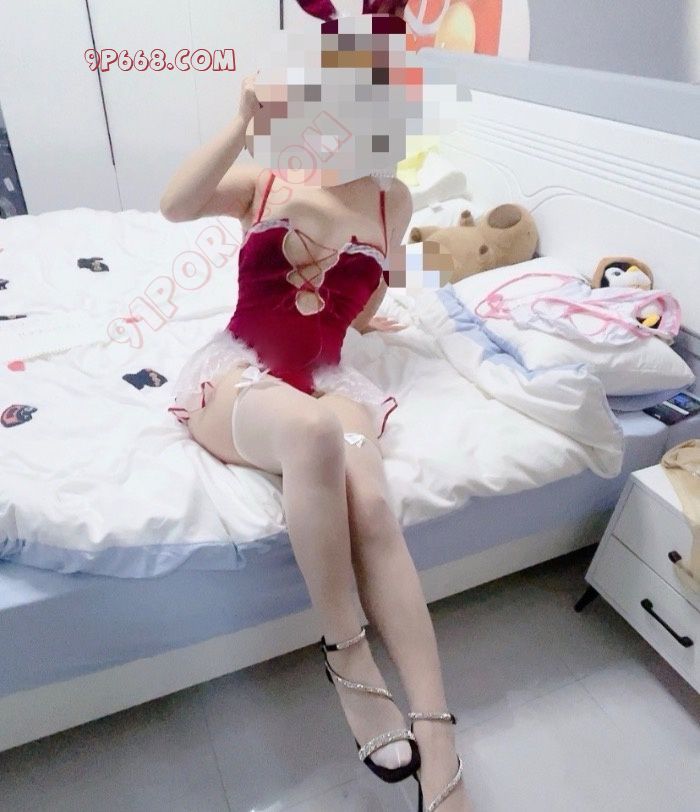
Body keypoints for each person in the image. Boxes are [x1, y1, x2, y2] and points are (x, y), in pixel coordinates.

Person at [159, 6, 471, 810]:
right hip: (240, 374)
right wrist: (240, 122)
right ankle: (347, 654)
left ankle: (437, 733)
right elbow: (174, 205)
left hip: (331, 377)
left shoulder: (393, 203)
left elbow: (370, 291)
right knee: (311, 435)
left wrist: (368, 319)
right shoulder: (269, 180)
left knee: (373, 502)